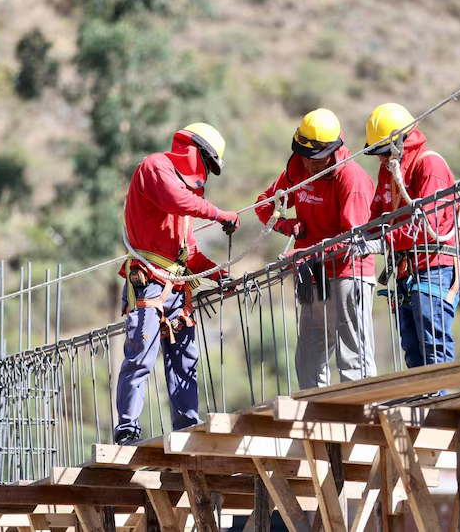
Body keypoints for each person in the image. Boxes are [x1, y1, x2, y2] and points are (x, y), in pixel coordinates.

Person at [115, 122, 239, 444]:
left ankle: (187, 430)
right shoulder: (155, 168)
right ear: (195, 152)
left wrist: (217, 274)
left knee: (185, 361)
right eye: (207, 164)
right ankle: (127, 428)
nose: (205, 174)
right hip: (149, 283)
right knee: (141, 356)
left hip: (176, 288)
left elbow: (189, 252)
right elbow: (174, 199)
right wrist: (218, 214)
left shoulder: (185, 198)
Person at [254, 108, 377, 390]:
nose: (309, 166)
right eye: (304, 157)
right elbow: (263, 204)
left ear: (332, 152)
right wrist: (285, 224)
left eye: (316, 160)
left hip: (347, 275)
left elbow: (353, 240)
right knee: (309, 359)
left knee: (352, 357)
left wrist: (304, 255)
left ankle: (363, 411)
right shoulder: (299, 171)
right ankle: (316, 413)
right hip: (312, 277)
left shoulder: (352, 179)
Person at [354, 103, 460, 374]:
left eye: (383, 152)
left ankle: (439, 395)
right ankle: (422, 397)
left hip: (433, 266)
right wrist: (361, 237)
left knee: (433, 343)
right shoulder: (389, 170)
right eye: (377, 153)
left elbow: (427, 226)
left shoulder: (429, 165)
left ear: (400, 141)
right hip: (406, 269)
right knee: (412, 348)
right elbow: (377, 215)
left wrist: (383, 241)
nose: (380, 159)